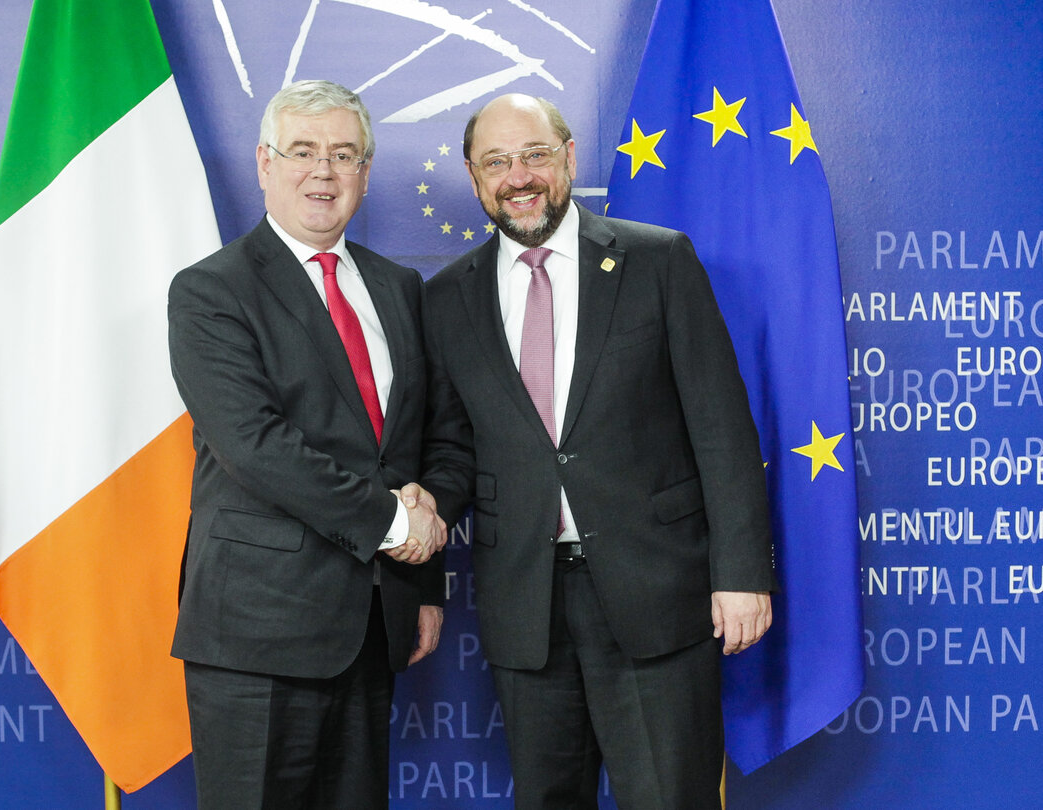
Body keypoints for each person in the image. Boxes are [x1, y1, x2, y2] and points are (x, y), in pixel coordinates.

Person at [420, 93, 776, 809]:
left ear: (569, 158)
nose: (517, 176)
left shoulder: (656, 260)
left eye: (534, 155)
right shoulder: (445, 297)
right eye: (496, 162)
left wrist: (741, 573)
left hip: (658, 594)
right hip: (526, 605)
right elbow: (451, 445)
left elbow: (721, 428)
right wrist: (424, 508)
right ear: (472, 176)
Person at [168, 80, 445, 810]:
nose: (323, 171)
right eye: (302, 151)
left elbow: (419, 447)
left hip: (371, 628)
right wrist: (396, 529)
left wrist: (419, 582)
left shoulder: (399, 288)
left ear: (365, 172)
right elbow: (255, 446)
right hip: (256, 634)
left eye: (343, 154)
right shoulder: (211, 291)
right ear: (264, 163)